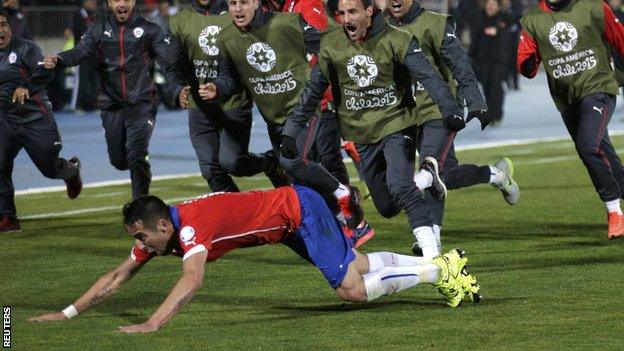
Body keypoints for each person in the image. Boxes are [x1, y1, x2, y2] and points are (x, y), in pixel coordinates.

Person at [27, 186, 482, 333]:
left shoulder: (188, 230)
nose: (142, 245)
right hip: (286, 221)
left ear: (161, 226)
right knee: (357, 268)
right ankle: (442, 266)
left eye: (143, 236)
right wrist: (65, 313)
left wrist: (152, 324)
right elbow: (118, 273)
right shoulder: (168, 227)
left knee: (351, 291)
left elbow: (192, 281)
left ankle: (438, 268)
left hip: (298, 213)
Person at [283, 0, 467, 257]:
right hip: (361, 134)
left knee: (401, 186)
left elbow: (429, 77)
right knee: (387, 206)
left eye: (353, 12)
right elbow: (313, 90)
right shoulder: (332, 44)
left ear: (369, 12)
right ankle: (427, 178)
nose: (347, 19)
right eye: (343, 13)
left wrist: (450, 109)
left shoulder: (398, 39)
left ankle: (433, 257)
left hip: (397, 124)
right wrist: (292, 130)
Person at [202, 0, 370, 244]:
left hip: (302, 108)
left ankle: (343, 193)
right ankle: (350, 223)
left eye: (244, 3)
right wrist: (217, 87)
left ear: (256, 3)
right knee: (300, 178)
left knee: (292, 161)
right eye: (232, 3)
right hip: (273, 115)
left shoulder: (288, 22)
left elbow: (327, 45)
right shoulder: (227, 37)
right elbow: (229, 78)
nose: (238, 9)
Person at [385, 0, 519, 254]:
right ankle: (497, 175)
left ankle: (432, 237)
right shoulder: (383, 28)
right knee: (449, 176)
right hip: (404, 113)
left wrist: (475, 101)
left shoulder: (436, 23)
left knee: (431, 166)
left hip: (440, 110)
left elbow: (460, 64)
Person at [43, 0, 183, 199]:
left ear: (133, 2)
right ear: (110, 3)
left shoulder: (149, 29)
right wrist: (59, 59)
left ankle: (141, 205)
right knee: (119, 161)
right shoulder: (98, 28)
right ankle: (136, 159)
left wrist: (179, 87)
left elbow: (169, 61)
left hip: (142, 103)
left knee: (136, 154)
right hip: (111, 105)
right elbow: (80, 51)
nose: (121, 4)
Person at [264, 0, 372, 241]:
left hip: (320, 99)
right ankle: (336, 219)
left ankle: (355, 222)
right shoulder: (267, 10)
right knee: (308, 166)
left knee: (326, 160)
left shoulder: (306, 3)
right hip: (294, 102)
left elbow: (319, 44)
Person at [517, 0, 624, 239]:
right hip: (567, 98)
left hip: (598, 87)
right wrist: (526, 63)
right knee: (601, 155)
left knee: (589, 146)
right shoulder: (534, 19)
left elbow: (621, 38)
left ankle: (614, 211)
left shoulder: (593, 6)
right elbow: (527, 64)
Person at [167, 0, 289, 193]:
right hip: (199, 109)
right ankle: (238, 215)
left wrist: (219, 87)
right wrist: (177, 89)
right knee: (210, 170)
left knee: (232, 164)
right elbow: (172, 65)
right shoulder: (179, 20)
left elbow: (242, 62)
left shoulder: (236, 12)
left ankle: (268, 162)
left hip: (234, 104)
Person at [0, 10, 82, 233]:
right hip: (6, 121)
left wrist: (26, 85)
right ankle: (8, 217)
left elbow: (46, 71)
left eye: (4, 25)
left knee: (49, 168)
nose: (1, 31)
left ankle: (70, 171)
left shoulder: (25, 48)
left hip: (35, 119)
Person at [469, 0, 510, 124]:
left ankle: (497, 115)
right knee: (486, 87)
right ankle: (491, 114)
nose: (491, 7)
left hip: (498, 60)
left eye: (494, 4)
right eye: (489, 4)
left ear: (498, 6)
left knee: (495, 87)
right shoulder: (478, 18)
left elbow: (512, 26)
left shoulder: (504, 17)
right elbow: (474, 38)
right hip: (482, 60)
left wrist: (498, 29)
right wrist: (471, 55)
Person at [70, 0, 99, 111]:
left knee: (93, 80)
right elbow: (78, 31)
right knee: (81, 80)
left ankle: (93, 105)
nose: (94, 3)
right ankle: (77, 105)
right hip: (81, 52)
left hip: (93, 52)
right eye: (91, 1)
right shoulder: (79, 14)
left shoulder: (94, 15)